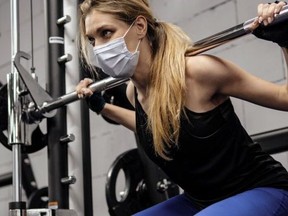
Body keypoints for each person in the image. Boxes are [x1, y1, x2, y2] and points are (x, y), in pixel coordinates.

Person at [76, 0, 288, 215]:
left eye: (106, 33)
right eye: (92, 40)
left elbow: (284, 97)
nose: (99, 48)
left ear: (140, 27)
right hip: (200, 201)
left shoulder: (197, 72)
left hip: (260, 189)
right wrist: (102, 106)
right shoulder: (134, 92)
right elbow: (152, 127)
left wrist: (285, 40)